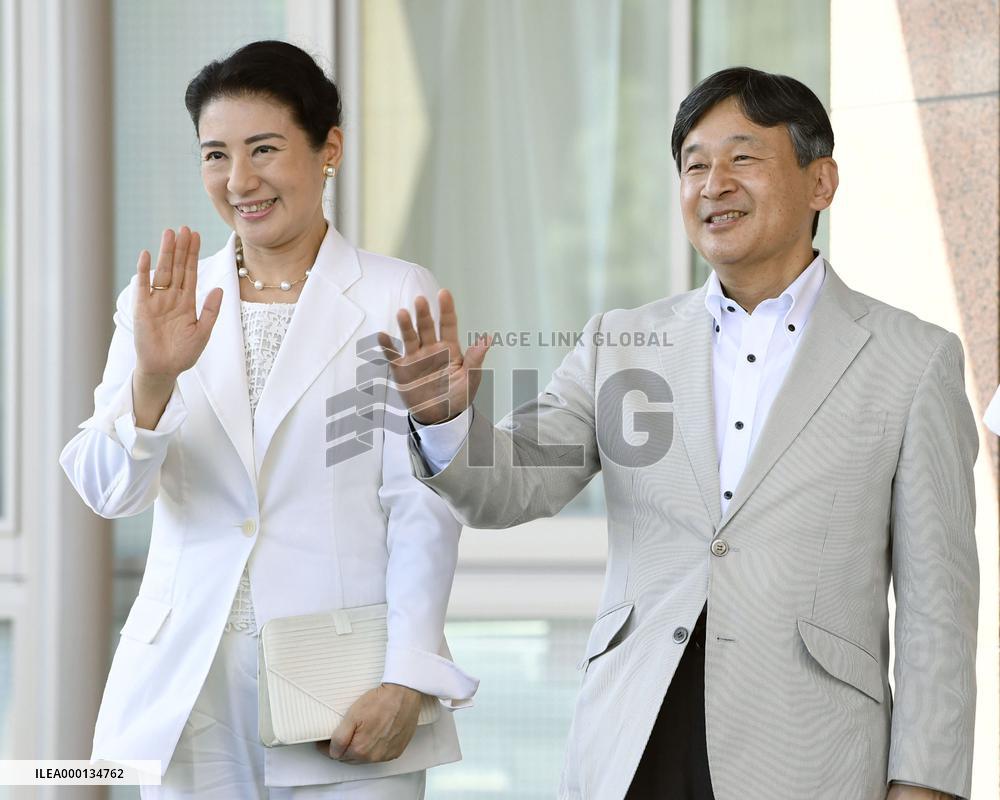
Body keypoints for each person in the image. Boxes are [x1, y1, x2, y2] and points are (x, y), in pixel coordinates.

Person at [381, 68, 979, 800]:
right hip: (637, 737)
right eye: (694, 164)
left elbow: (937, 608)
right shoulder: (623, 342)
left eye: (742, 158)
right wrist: (444, 421)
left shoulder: (913, 359)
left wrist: (925, 783)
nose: (712, 183)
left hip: (811, 754)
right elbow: (517, 481)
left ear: (820, 183)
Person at [60, 40, 477, 799]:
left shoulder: (392, 293)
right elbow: (105, 490)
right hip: (192, 682)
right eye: (215, 154)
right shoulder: (160, 300)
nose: (239, 180)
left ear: (329, 150)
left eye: (264, 149)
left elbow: (420, 506)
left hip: (341, 683)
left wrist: (408, 677)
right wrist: (153, 380)